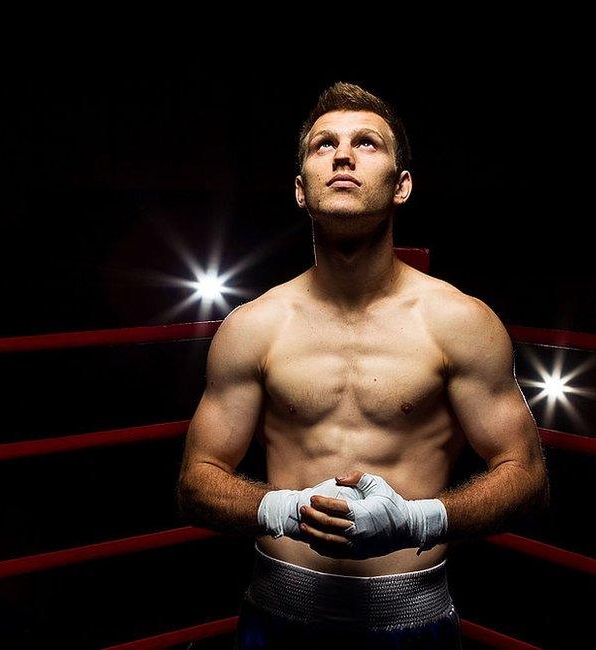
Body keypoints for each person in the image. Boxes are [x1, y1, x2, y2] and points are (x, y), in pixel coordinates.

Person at [175, 81, 550, 649]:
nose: (343, 154)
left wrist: (418, 521)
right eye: (324, 144)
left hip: (411, 618)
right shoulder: (254, 325)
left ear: (401, 187)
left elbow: (527, 476)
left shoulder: (460, 321)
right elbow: (195, 482)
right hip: (278, 613)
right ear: (301, 189)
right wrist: (282, 507)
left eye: (367, 143)